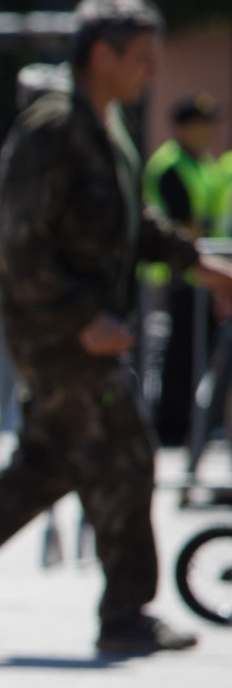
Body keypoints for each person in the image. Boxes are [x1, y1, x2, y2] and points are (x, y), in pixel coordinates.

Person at [0, 0, 232, 657]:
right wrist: (80, 318)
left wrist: (200, 266)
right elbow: (16, 241)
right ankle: (123, 612)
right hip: (58, 336)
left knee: (49, 464)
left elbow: (129, 226)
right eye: (141, 57)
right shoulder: (54, 127)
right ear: (101, 54)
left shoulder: (105, 126)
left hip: (83, 332)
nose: (152, 71)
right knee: (125, 449)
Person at [141, 94, 224, 450]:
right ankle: (171, 426)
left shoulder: (203, 164)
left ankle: (197, 423)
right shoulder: (171, 164)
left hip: (203, 273)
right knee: (179, 356)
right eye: (201, 125)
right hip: (179, 275)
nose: (207, 132)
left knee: (200, 354)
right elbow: (181, 225)